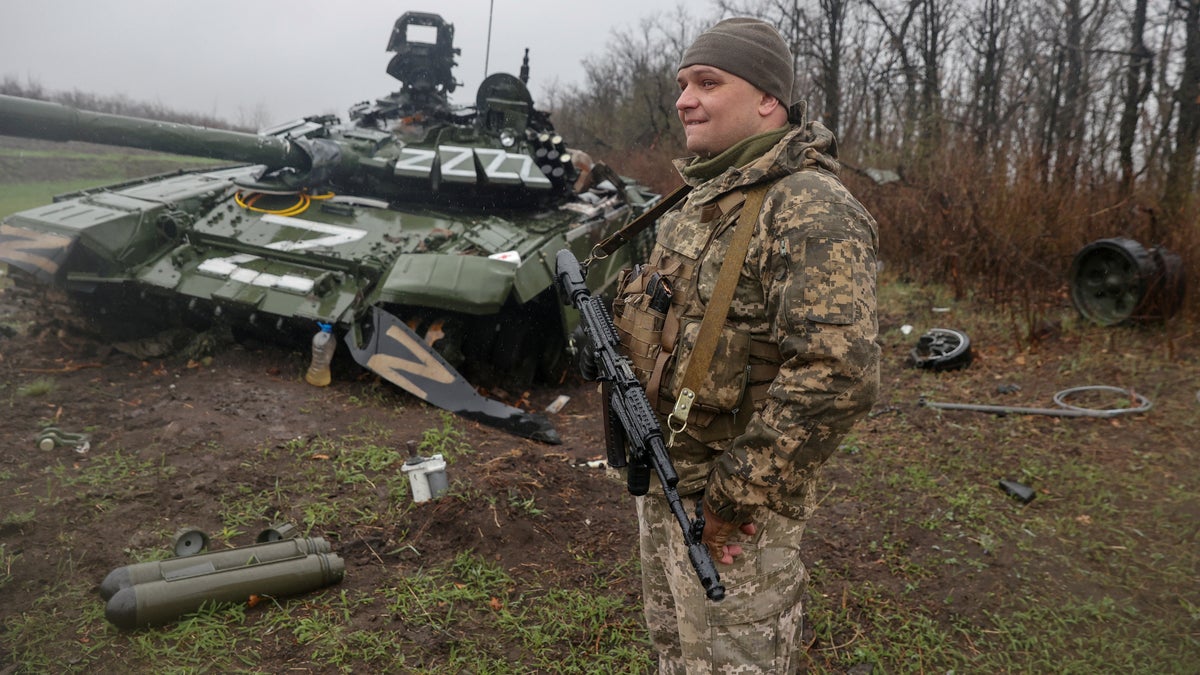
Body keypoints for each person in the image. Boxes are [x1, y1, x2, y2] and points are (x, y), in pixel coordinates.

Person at [607, 17, 880, 673]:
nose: (683, 99)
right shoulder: (700, 197)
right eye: (681, 83)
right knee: (673, 648)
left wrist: (735, 498)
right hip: (667, 479)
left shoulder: (806, 204)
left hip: (735, 512)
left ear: (767, 99)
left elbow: (838, 372)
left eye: (707, 81)